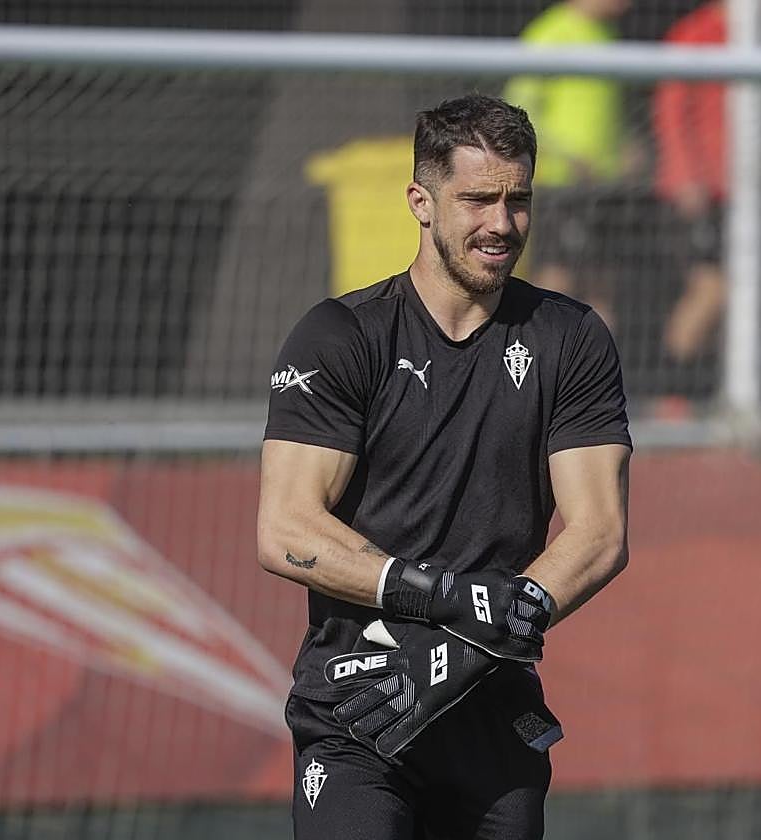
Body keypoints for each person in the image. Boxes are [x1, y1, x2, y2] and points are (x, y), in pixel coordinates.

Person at [258, 94, 632, 840]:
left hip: (492, 710)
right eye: (477, 200)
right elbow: (286, 530)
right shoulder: (341, 336)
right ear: (420, 203)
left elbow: (599, 535)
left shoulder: (571, 338)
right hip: (361, 708)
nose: (502, 223)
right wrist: (437, 595)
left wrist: (466, 646)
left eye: (518, 200)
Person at [503, 0, 633, 327]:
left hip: (604, 186)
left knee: (602, 286)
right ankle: (543, 356)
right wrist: (565, 155)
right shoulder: (551, 33)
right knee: (556, 282)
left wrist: (625, 147)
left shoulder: (608, 34)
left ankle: (598, 359)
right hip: (561, 185)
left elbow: (604, 113)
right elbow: (519, 109)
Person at [649, 0, 731, 416]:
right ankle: (671, 396)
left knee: (727, 295)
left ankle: (700, 393)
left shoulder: (745, 36)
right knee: (711, 289)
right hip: (695, 191)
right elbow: (671, 110)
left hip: (732, 192)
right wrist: (686, 175)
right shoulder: (693, 35)